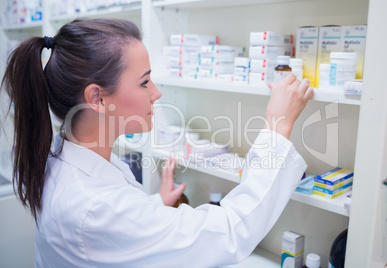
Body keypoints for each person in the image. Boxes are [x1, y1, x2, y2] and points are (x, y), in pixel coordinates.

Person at [1, 18, 313, 267]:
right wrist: (278, 124)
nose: (157, 92)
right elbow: (230, 231)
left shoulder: (62, 154)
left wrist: (155, 204)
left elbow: (114, 232)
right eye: (144, 81)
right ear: (96, 97)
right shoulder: (93, 206)